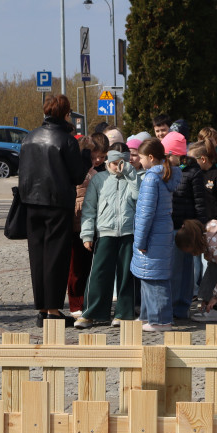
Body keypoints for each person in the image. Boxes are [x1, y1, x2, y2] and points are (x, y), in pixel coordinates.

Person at [18, 94, 89, 326]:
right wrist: (86, 156)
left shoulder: (29, 138)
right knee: (56, 258)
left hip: (31, 203)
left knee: (37, 257)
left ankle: (42, 309)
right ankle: (54, 312)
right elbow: (78, 175)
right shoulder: (66, 140)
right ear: (65, 114)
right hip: (57, 204)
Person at [75, 149, 141, 328]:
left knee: (127, 274)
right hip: (105, 232)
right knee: (99, 274)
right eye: (114, 163)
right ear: (107, 163)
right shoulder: (99, 179)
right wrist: (87, 234)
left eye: (122, 163)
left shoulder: (133, 178)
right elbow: (89, 208)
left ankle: (124, 313)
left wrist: (131, 174)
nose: (117, 167)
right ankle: (91, 312)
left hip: (129, 233)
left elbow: (139, 197)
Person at [131, 138, 179, 332]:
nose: (140, 162)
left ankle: (160, 320)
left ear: (151, 157)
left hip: (152, 236)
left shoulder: (151, 178)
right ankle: (147, 315)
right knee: (149, 276)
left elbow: (145, 213)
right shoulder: (165, 175)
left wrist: (140, 240)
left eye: (141, 158)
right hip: (162, 232)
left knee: (154, 279)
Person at [163, 131, 207, 320]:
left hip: (185, 228)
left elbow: (200, 203)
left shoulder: (192, 173)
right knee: (173, 271)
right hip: (169, 226)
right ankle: (172, 306)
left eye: (167, 155)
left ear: (176, 154)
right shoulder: (165, 171)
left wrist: (199, 227)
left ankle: (181, 307)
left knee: (184, 271)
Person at [69, 132, 109, 315]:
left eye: (102, 157)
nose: (98, 160)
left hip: (96, 223)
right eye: (94, 157)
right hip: (79, 221)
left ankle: (89, 301)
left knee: (92, 267)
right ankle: (76, 303)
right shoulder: (80, 170)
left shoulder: (103, 171)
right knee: (77, 266)